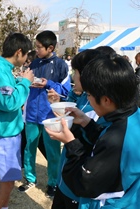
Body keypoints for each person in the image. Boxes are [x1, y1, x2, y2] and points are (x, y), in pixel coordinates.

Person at [46, 55, 140, 208]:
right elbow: (108, 147)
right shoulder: (131, 116)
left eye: (89, 95)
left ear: (106, 100)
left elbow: (83, 184)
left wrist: (71, 143)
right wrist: (86, 123)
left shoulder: (116, 139)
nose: (87, 99)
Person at [47, 49, 107, 209]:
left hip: (77, 189)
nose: (73, 76)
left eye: (75, 72)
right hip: (64, 180)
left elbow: (92, 150)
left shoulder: (98, 108)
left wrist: (68, 138)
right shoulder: (83, 98)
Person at [19, 30, 71, 197]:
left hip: (50, 115)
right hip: (31, 113)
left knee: (53, 151)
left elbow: (66, 91)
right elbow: (26, 83)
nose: (37, 50)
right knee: (29, 147)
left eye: (39, 47)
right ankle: (30, 178)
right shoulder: (33, 64)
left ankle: (53, 183)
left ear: (50, 48)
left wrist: (48, 83)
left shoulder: (61, 65)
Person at [0, 33, 34, 209]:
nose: (26, 59)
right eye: (26, 55)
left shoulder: (5, 70)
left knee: (10, 180)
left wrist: (20, 82)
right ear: (19, 52)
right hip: (3, 136)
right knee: (7, 182)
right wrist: (25, 83)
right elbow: (9, 103)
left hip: (10, 133)